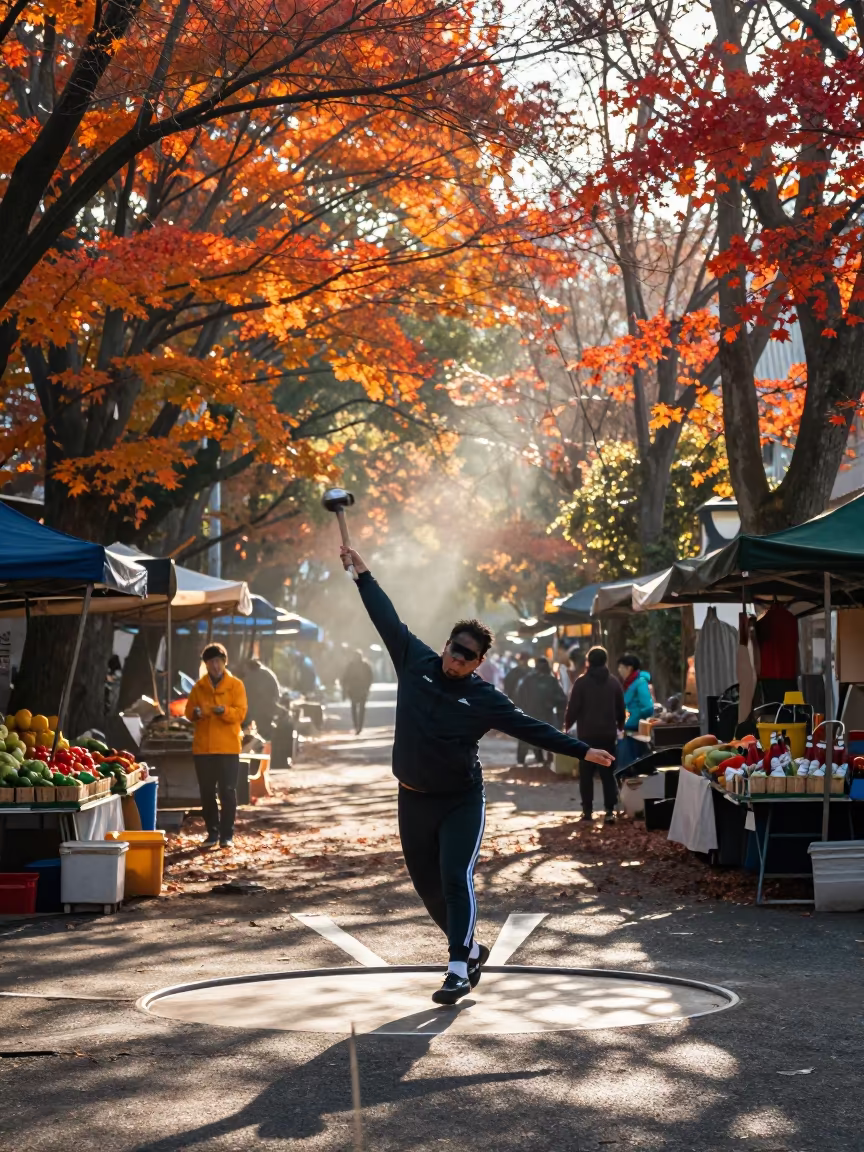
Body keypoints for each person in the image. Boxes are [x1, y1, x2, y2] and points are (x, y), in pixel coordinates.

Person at [339, 543, 614, 1005]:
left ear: (478, 662)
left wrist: (584, 750)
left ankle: (456, 970)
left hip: (460, 799)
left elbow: (532, 728)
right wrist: (363, 573)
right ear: (445, 644)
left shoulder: (484, 698)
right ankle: (471, 948)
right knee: (428, 890)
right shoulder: (414, 660)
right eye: (453, 650)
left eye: (467, 657)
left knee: (454, 876)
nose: (455, 660)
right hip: (412, 797)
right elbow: (383, 615)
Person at [185, 643, 248, 849]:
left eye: (219, 661)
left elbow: (241, 712)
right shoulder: (199, 687)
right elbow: (188, 711)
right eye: (211, 662)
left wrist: (225, 711)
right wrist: (196, 713)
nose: (215, 666)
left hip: (228, 747)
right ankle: (212, 832)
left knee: (228, 791)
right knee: (206, 792)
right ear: (206, 664)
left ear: (224, 662)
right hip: (203, 749)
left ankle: (226, 834)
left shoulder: (236, 685)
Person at [565, 646, 626, 824]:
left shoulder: (581, 682)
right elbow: (621, 709)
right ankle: (609, 811)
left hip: (587, 737)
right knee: (608, 774)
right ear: (605, 661)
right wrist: (620, 726)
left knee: (586, 774)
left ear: (588, 662)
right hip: (607, 735)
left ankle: (587, 811)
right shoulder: (614, 682)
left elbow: (573, 708)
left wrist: (567, 726)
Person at [515, 657, 568, 766]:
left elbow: (518, 698)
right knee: (545, 738)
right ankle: (543, 761)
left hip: (529, 715)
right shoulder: (550, 681)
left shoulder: (528, 680)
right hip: (544, 715)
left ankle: (522, 762)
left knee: (526, 738)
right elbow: (561, 699)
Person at [617, 652, 654, 769]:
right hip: (627, 731)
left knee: (629, 768)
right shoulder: (630, 684)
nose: (619, 670)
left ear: (629, 668)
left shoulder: (640, 683)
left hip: (635, 733)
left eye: (621, 667)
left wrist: (632, 718)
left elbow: (648, 707)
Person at [243, 656, 282, 736]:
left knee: (259, 735)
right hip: (269, 710)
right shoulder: (268, 673)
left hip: (258, 712)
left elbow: (247, 697)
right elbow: (277, 694)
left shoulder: (250, 677)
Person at [342, 649, 374, 733]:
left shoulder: (364, 665)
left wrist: (367, 687)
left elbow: (370, 678)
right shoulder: (352, 665)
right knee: (357, 708)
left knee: (359, 709)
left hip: (360, 690)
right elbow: (345, 678)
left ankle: (358, 726)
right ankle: (357, 726)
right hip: (355, 690)